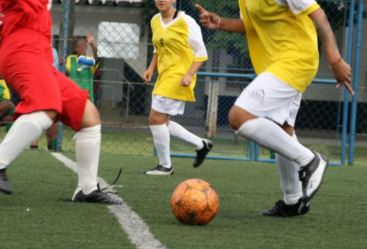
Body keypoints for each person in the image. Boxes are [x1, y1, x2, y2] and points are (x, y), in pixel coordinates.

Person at [195, 0, 353, 217]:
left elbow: (319, 16)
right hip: (276, 65)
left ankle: (311, 161)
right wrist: (220, 22)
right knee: (282, 130)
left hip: (296, 61)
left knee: (239, 117)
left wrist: (335, 60)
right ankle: (293, 201)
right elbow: (252, 25)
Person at [0, 0, 120, 205]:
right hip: (21, 47)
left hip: (40, 53)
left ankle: (87, 188)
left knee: (88, 116)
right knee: (46, 105)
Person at [143, 0, 212, 175]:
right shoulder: (155, 20)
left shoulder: (186, 21)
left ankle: (165, 166)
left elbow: (201, 53)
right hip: (164, 76)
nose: (161, 0)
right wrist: (151, 68)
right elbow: (158, 48)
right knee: (162, 121)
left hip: (180, 76)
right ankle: (201, 144)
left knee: (155, 118)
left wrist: (189, 75)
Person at [66, 33, 98, 103]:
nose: (84, 47)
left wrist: (91, 43)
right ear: (75, 49)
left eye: (85, 46)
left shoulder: (89, 59)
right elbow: (68, 70)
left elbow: (95, 55)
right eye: (81, 46)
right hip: (73, 94)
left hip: (87, 96)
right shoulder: (71, 59)